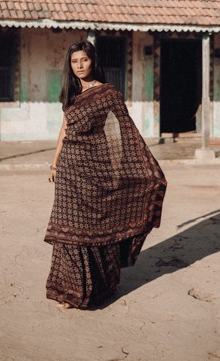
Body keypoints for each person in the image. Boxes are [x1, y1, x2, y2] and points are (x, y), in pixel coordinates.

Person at [45, 40, 167, 310]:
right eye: (74, 61)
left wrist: (118, 170)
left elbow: (121, 134)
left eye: (84, 60)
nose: (79, 66)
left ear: (93, 61)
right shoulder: (71, 93)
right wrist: (54, 163)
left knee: (96, 228)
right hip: (68, 173)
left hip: (94, 172)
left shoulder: (108, 93)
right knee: (68, 232)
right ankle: (70, 290)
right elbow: (64, 130)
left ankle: (101, 285)